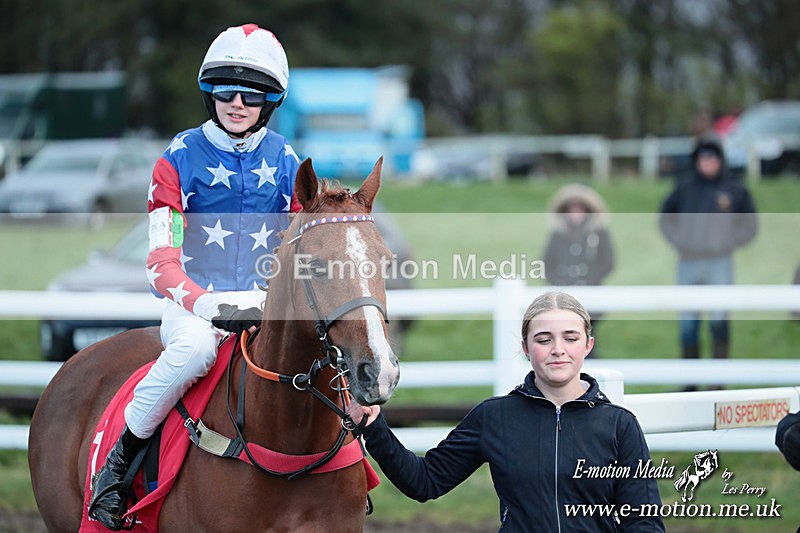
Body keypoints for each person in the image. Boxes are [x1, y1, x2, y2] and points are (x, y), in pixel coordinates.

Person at [89, 24, 302, 529]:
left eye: (252, 94)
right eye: (225, 91)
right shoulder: (178, 158)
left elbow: (301, 248)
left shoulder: (288, 161)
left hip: (264, 303)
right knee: (195, 352)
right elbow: (160, 262)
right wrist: (207, 305)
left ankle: (346, 458)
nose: (237, 103)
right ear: (209, 93)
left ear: (270, 101)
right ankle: (117, 467)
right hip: (194, 307)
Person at [347, 291, 665, 532]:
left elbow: (644, 521)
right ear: (526, 347)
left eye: (570, 338)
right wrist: (375, 428)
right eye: (544, 339)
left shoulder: (619, 425)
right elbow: (425, 481)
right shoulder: (495, 417)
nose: (558, 349)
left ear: (588, 345)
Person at [659, 136, 757, 372]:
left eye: (712, 158)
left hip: (719, 263)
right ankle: (690, 380)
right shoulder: (684, 187)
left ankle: (717, 380)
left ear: (720, 160)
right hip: (688, 262)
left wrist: (728, 242)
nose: (708, 162)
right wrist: (680, 241)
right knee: (688, 324)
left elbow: (750, 224)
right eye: (703, 158)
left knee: (719, 321)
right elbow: (665, 217)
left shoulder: (734, 189)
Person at [542, 183, 614, 353]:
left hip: (591, 296)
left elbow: (607, 261)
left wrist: (588, 279)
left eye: (580, 209)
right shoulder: (558, 234)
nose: (575, 214)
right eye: (571, 209)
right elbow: (547, 263)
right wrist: (559, 281)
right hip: (564, 296)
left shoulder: (598, 233)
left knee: (587, 338)